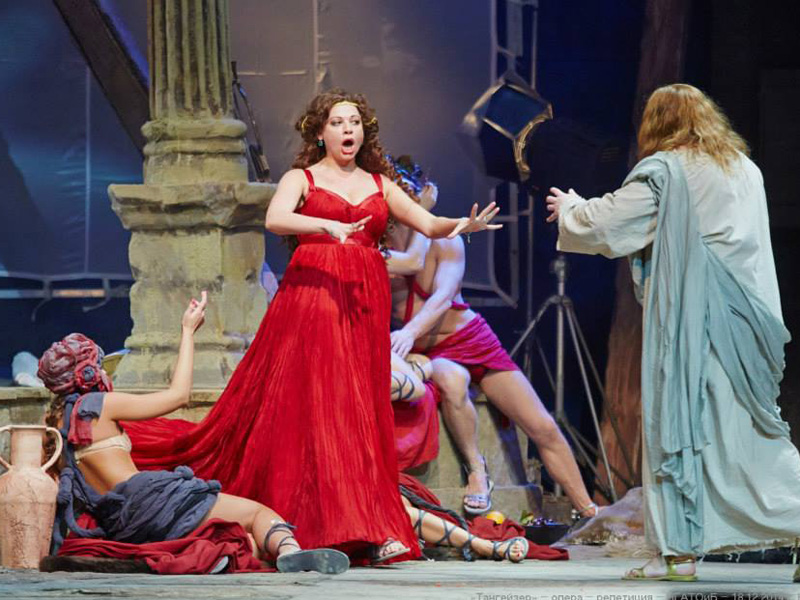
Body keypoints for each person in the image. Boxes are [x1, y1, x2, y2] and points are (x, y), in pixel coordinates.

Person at [123, 89, 500, 565]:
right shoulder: (300, 178)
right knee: (322, 405)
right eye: (338, 123)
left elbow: (428, 224)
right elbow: (276, 219)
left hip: (362, 305)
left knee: (359, 410)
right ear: (320, 133)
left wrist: (462, 225)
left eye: (355, 122)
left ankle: (369, 524)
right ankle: (320, 524)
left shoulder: (380, 184)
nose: (348, 130)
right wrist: (326, 227)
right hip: (314, 301)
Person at [545, 83, 798, 582]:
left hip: (696, 326)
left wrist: (573, 208)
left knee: (680, 431)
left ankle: (677, 554)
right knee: (749, 438)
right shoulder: (745, 169)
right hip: (749, 326)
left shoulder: (667, 171)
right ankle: (693, 547)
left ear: (656, 125)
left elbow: (610, 223)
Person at [38, 293, 349, 574]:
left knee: (242, 539)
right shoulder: (98, 405)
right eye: (98, 365)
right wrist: (187, 332)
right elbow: (178, 396)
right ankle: (292, 551)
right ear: (87, 374)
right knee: (258, 513)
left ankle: (229, 556)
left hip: (122, 522)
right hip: (150, 499)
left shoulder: (54, 427)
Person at [385, 156, 598, 519]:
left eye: (409, 198)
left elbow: (442, 296)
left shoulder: (445, 238)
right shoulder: (382, 249)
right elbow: (404, 267)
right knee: (451, 381)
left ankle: (589, 512)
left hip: (470, 338)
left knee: (541, 425)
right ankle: (477, 472)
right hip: (429, 353)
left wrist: (409, 331)